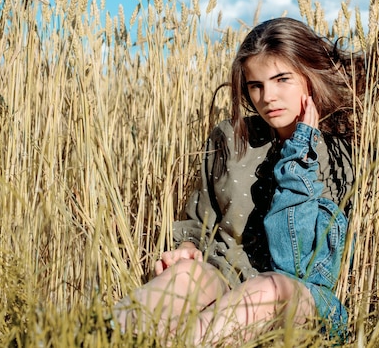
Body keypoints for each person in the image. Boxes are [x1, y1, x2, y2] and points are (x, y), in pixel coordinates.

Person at [113, 17, 364, 345]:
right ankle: (101, 335)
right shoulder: (232, 137)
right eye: (255, 85)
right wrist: (186, 249)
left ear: (310, 75)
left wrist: (299, 151)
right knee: (186, 276)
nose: (267, 97)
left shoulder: (337, 154)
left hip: (298, 297)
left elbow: (295, 264)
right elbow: (198, 223)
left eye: (281, 79)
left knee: (269, 288)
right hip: (226, 278)